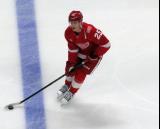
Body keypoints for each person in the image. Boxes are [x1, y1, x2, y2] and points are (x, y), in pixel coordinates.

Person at [57, 10, 111, 105]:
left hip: (93, 55)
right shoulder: (68, 32)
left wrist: (94, 55)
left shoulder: (91, 31)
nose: (72, 25)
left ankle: (72, 92)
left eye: (74, 23)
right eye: (71, 22)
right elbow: (72, 49)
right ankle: (67, 85)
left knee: (81, 73)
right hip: (81, 52)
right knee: (70, 68)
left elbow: (106, 44)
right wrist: (72, 62)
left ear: (80, 22)